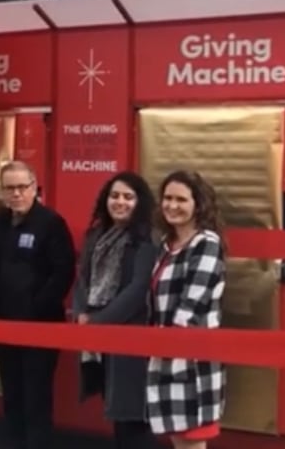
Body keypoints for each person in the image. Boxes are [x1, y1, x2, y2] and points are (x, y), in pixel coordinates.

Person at [0, 161, 75, 449]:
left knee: (35, 399)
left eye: (22, 187)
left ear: (34, 187)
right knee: (11, 396)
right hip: (4, 326)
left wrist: (36, 308)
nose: (16, 194)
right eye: (9, 188)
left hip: (40, 327)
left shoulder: (51, 223)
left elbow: (63, 273)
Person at [72, 171, 159, 449]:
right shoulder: (97, 235)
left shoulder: (146, 239)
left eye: (128, 197)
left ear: (139, 202)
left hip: (129, 339)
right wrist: (80, 313)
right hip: (100, 341)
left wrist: (98, 322)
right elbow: (83, 280)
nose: (120, 202)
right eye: (115, 196)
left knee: (133, 418)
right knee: (116, 416)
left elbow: (138, 290)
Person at [148, 170, 226, 449]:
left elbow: (192, 304)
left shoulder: (206, 243)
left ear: (198, 204)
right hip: (166, 356)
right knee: (178, 440)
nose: (172, 205)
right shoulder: (166, 245)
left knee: (192, 442)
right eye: (168, 198)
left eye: (181, 199)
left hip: (193, 361)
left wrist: (165, 345)